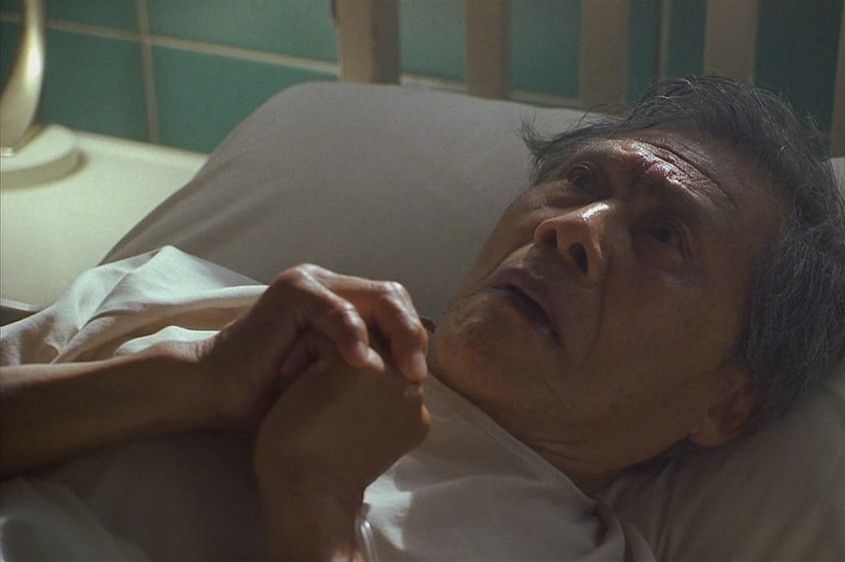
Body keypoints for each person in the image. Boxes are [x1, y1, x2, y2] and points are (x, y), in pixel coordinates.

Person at [2, 77, 844, 561]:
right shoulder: (184, 293)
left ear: (727, 402)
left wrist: (315, 501)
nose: (573, 229)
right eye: (580, 182)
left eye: (664, 236)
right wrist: (192, 376)